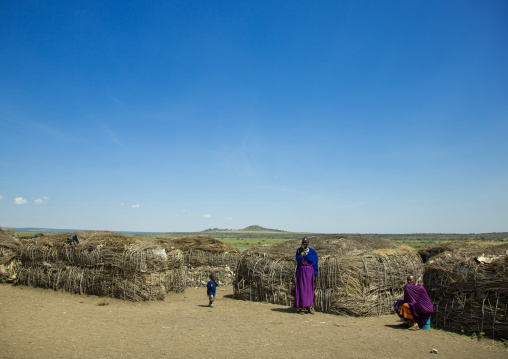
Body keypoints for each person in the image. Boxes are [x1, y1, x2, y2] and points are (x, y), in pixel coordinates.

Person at [295, 237, 318, 314]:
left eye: (306, 243)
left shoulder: (311, 251)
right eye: (304, 243)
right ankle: (301, 307)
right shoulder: (299, 250)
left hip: (309, 272)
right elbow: (298, 260)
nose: (305, 244)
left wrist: (306, 254)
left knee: (309, 290)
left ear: (308, 243)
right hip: (301, 271)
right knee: (301, 289)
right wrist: (301, 253)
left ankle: (309, 307)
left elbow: (314, 261)